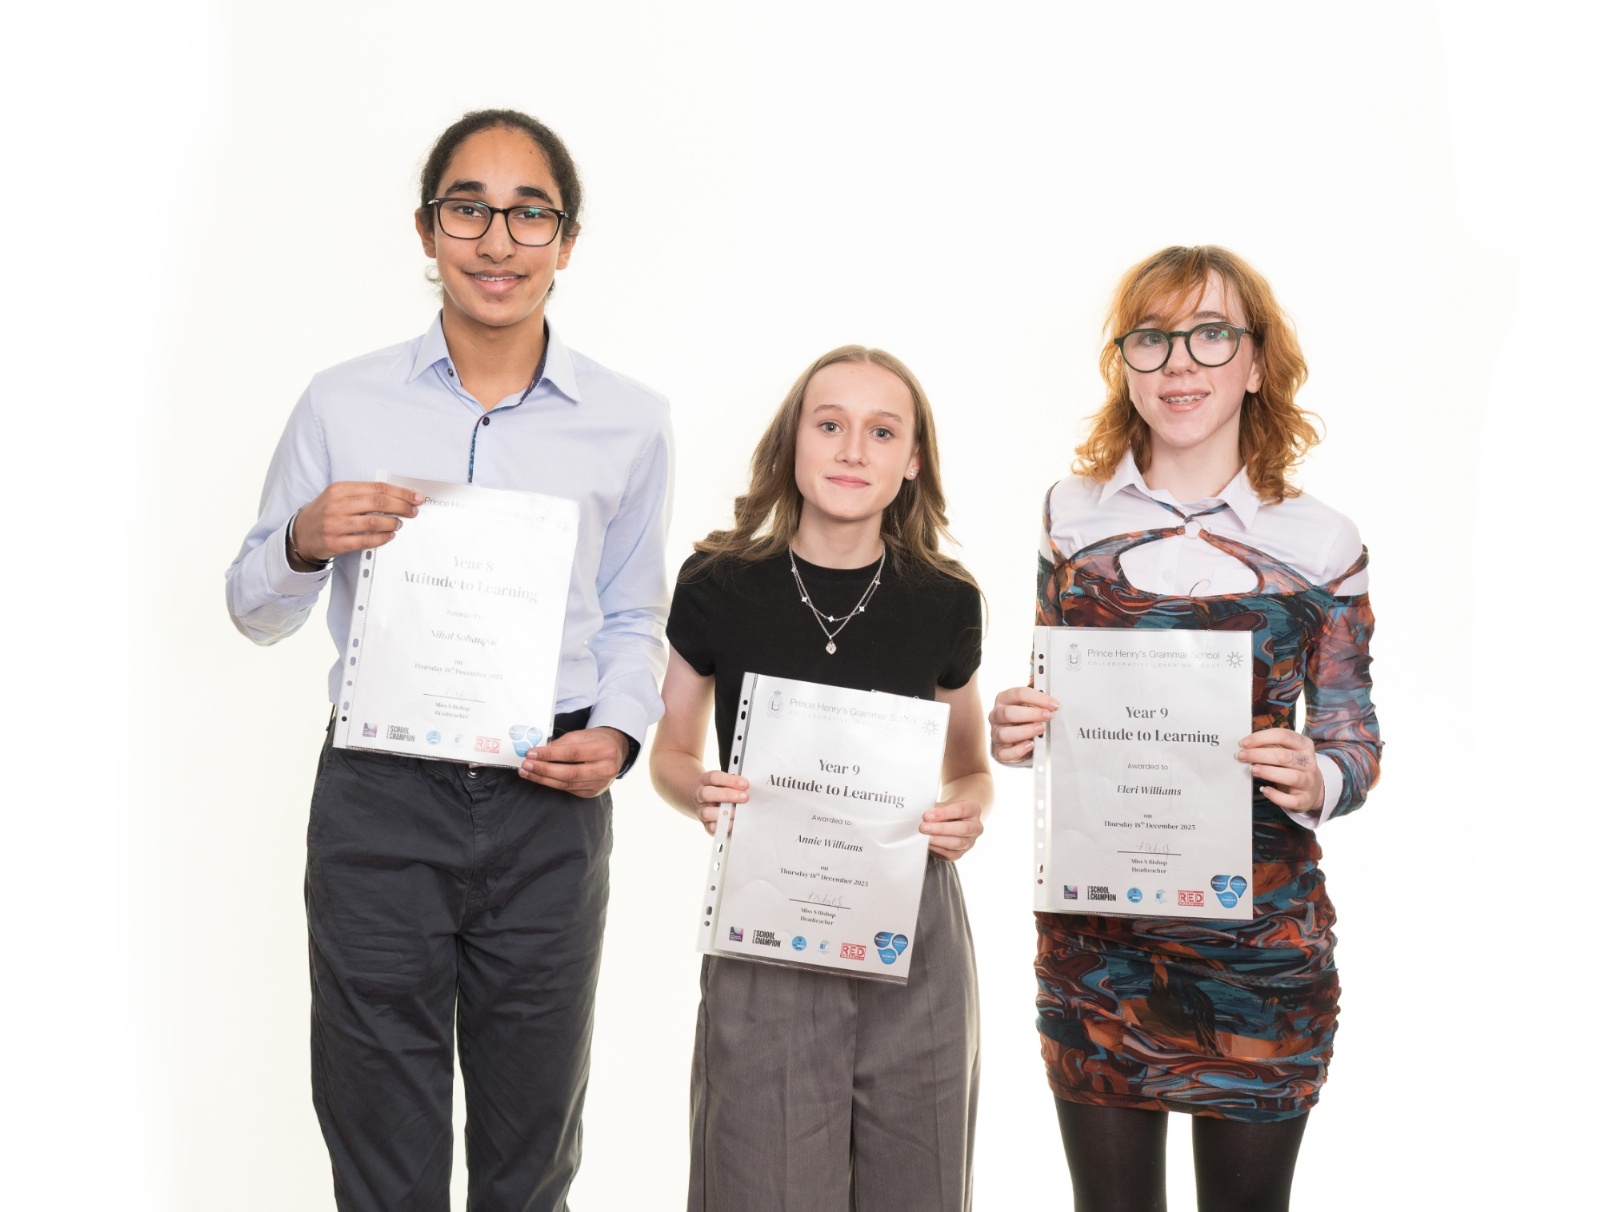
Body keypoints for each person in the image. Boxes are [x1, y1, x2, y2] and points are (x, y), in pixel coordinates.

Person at [224, 109, 671, 1211]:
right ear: (427, 231)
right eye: (468, 209)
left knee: (533, 1146)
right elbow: (252, 609)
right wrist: (302, 539)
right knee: (381, 1145)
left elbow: (633, 613)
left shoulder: (631, 422)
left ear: (568, 241)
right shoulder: (342, 402)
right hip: (381, 797)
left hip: (547, 799)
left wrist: (618, 734)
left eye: (530, 214)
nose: (497, 241)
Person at [989, 246, 1381, 1212]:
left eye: (1211, 336)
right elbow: (1058, 698)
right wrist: (1020, 724)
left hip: (1260, 947)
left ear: (1256, 362)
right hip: (1097, 947)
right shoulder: (1070, 517)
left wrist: (1318, 775)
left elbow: (1354, 736)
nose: (1179, 364)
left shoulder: (1321, 539)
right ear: (1124, 364)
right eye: (1153, 338)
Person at [650, 346, 991, 1211]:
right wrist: (699, 790)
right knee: (756, 1187)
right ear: (792, 442)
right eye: (830, 424)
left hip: (914, 928)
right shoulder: (718, 582)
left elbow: (970, 768)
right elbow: (671, 753)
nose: (851, 450)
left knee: (920, 1189)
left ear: (911, 461)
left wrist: (965, 812)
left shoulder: (945, 597)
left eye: (882, 432)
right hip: (768, 918)